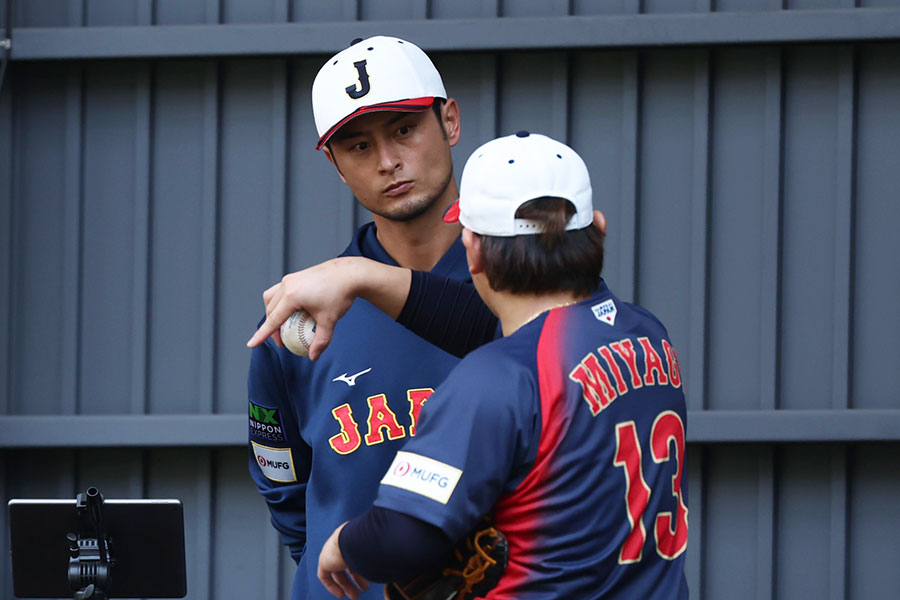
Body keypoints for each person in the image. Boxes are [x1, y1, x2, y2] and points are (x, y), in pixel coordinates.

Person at [312, 132, 690, 599]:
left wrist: (344, 543)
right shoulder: (645, 332)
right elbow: (500, 327)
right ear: (598, 228)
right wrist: (361, 275)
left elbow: (402, 537)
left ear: (472, 249)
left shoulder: (498, 377)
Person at [245, 35, 479, 600]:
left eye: (403, 129)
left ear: (448, 121)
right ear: (334, 164)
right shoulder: (300, 317)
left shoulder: (528, 293)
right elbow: (285, 489)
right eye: (357, 145)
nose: (387, 161)